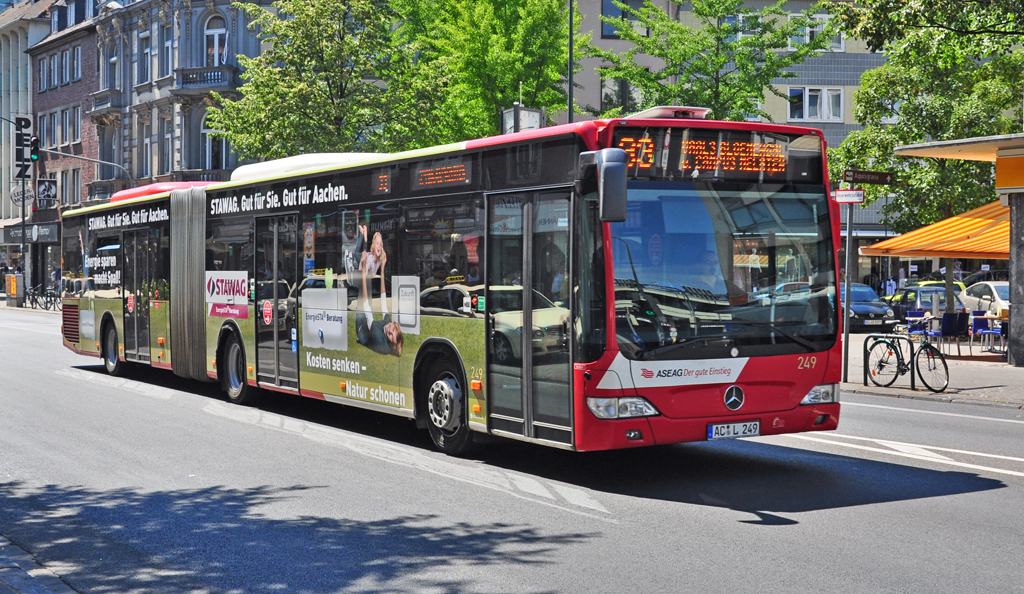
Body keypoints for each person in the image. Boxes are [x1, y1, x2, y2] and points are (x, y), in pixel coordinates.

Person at [356, 249, 403, 357]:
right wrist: (382, 268)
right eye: (393, 330)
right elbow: (383, 301)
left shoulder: (378, 335)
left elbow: (367, 308)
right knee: (368, 284)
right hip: (373, 330)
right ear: (395, 326)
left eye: (390, 336)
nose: (389, 330)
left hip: (363, 333)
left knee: (363, 292)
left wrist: (363, 271)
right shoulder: (389, 325)